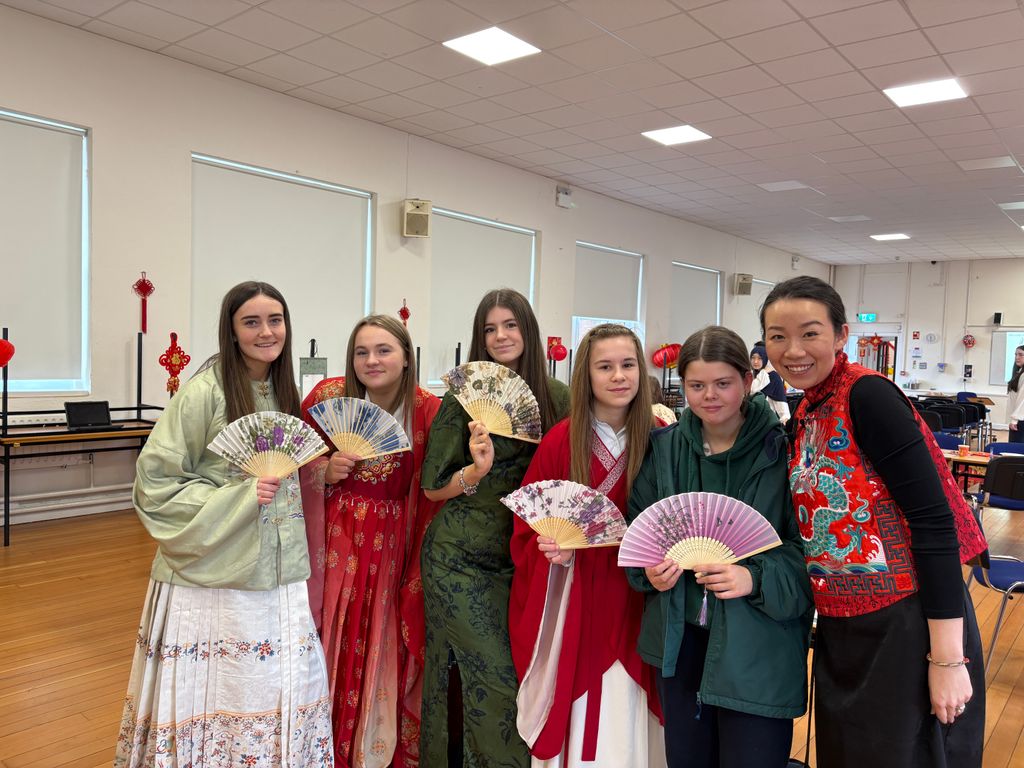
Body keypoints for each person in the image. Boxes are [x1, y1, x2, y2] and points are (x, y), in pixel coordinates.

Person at [761, 275, 988, 768]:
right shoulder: (808, 407)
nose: (793, 350)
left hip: (907, 625)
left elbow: (933, 522)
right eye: (778, 336)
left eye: (810, 333)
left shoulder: (867, 396)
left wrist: (948, 660)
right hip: (843, 625)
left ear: (841, 335)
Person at [115, 281, 333, 766]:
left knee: (277, 680)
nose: (266, 332)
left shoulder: (284, 391)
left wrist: (323, 471)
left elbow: (289, 475)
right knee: (221, 687)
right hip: (215, 572)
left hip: (280, 569)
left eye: (275, 320)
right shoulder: (204, 392)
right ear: (231, 332)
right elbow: (155, 482)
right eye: (251, 322)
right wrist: (240, 497)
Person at [626, 325, 812, 768]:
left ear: (747, 380)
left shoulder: (785, 452)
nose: (709, 396)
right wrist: (648, 571)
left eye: (723, 383)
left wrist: (754, 577)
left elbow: (813, 554)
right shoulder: (664, 450)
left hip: (759, 647)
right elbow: (639, 531)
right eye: (696, 385)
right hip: (680, 644)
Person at [419, 288, 570, 768]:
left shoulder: (557, 397)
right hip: (458, 559)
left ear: (528, 330)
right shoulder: (462, 399)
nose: (500, 336)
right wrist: (475, 471)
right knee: (495, 677)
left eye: (510, 325)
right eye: (490, 328)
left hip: (525, 559)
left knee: (524, 675)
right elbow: (431, 487)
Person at [510, 324, 665, 767]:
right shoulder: (562, 439)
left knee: (632, 700)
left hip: (640, 594)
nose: (619, 376)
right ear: (586, 375)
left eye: (628, 364)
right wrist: (550, 548)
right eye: (605, 366)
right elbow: (526, 527)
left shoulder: (660, 437)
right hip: (576, 595)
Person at [300, 314, 440, 768]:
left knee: (380, 631)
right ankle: (316, 740)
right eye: (362, 352)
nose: (372, 361)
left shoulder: (428, 411)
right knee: (330, 627)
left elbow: (437, 483)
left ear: (406, 357)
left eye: (384, 350)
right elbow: (292, 459)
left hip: (394, 544)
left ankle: (369, 743)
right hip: (335, 536)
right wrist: (324, 471)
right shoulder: (327, 397)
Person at [749, 344, 789, 424]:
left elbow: (780, 399)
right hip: (752, 419)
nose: (755, 361)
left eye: (759, 358)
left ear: (765, 358)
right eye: (753, 358)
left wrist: (784, 418)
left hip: (767, 421)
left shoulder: (772, 376)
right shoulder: (752, 374)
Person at [1006, 345, 1024, 443]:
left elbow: (1022, 400)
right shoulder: (1019, 372)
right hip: (1018, 419)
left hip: (1020, 420)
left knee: (1016, 450)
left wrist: (1014, 420)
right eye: (1016, 354)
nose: (1017, 357)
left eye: (1021, 354)